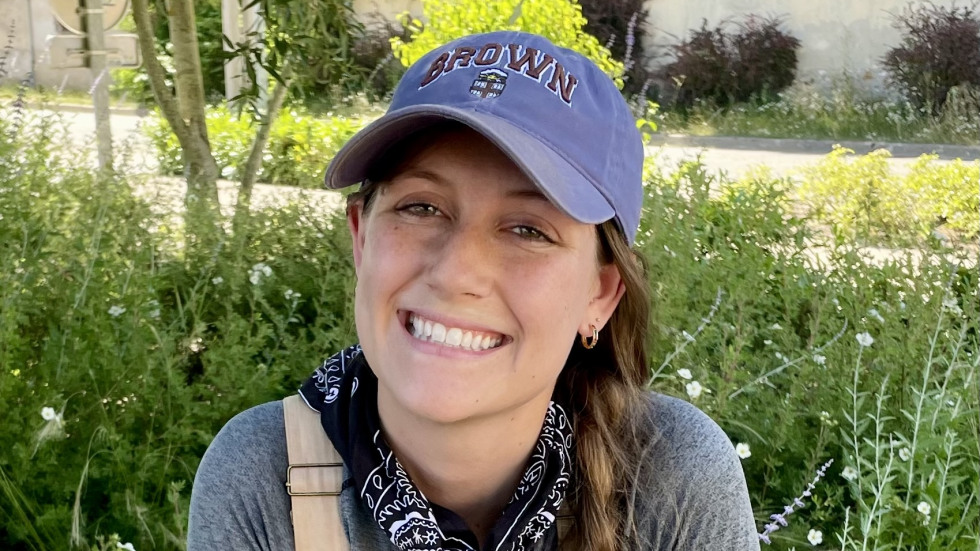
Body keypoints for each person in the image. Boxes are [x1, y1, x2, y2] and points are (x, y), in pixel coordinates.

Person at [187, 31, 760, 550]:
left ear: (600, 296)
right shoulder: (264, 476)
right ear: (362, 239)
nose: (456, 273)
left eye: (529, 230)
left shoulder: (671, 478)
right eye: (421, 208)